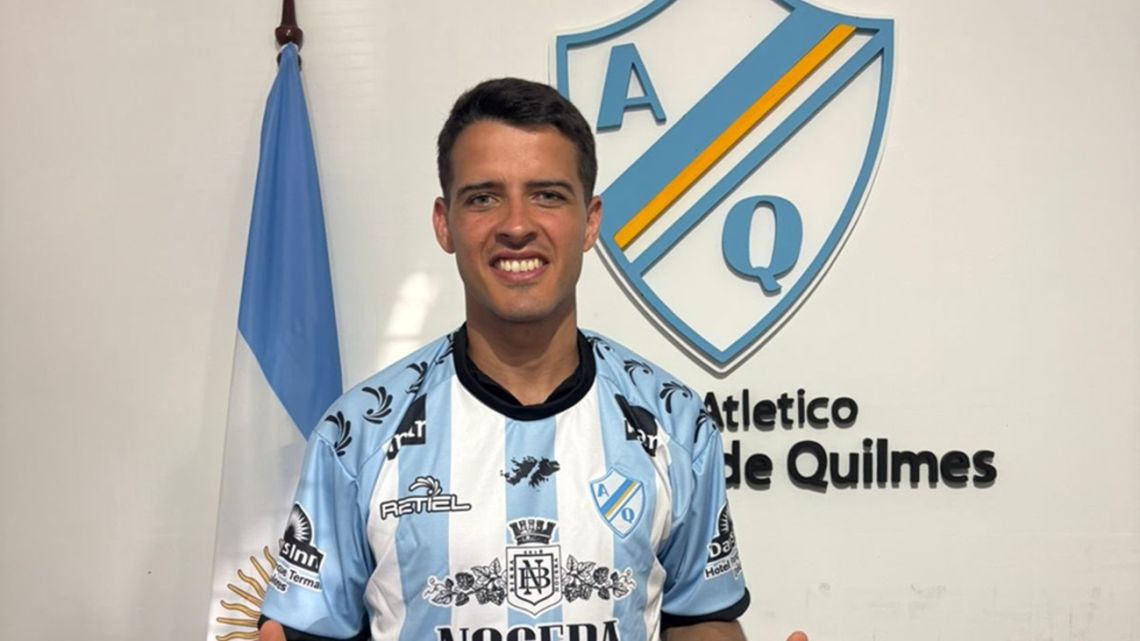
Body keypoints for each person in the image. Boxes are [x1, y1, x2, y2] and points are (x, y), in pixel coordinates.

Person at [259, 78, 806, 641]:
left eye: (547, 195)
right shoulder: (358, 434)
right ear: (444, 223)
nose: (517, 226)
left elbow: (700, 617)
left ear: (590, 221)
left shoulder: (674, 421)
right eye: (483, 197)